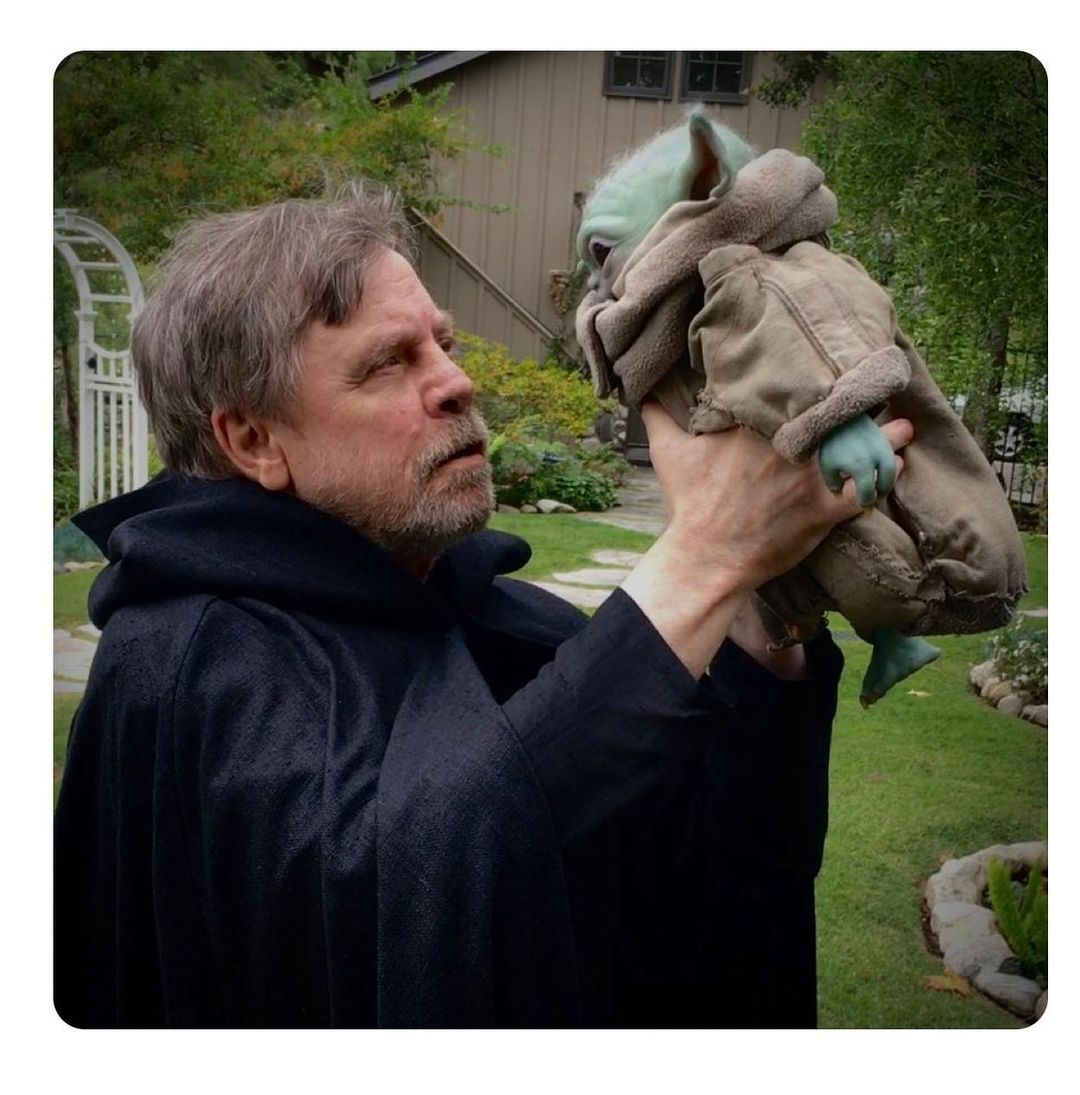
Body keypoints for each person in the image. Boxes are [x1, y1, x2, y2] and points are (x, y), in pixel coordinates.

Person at [54, 183, 913, 1029]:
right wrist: (705, 553)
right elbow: (374, 933)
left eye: (444, 345)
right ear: (253, 439)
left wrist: (764, 612)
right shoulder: (188, 664)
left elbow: (712, 886)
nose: (459, 383)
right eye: (389, 362)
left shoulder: (515, 626)